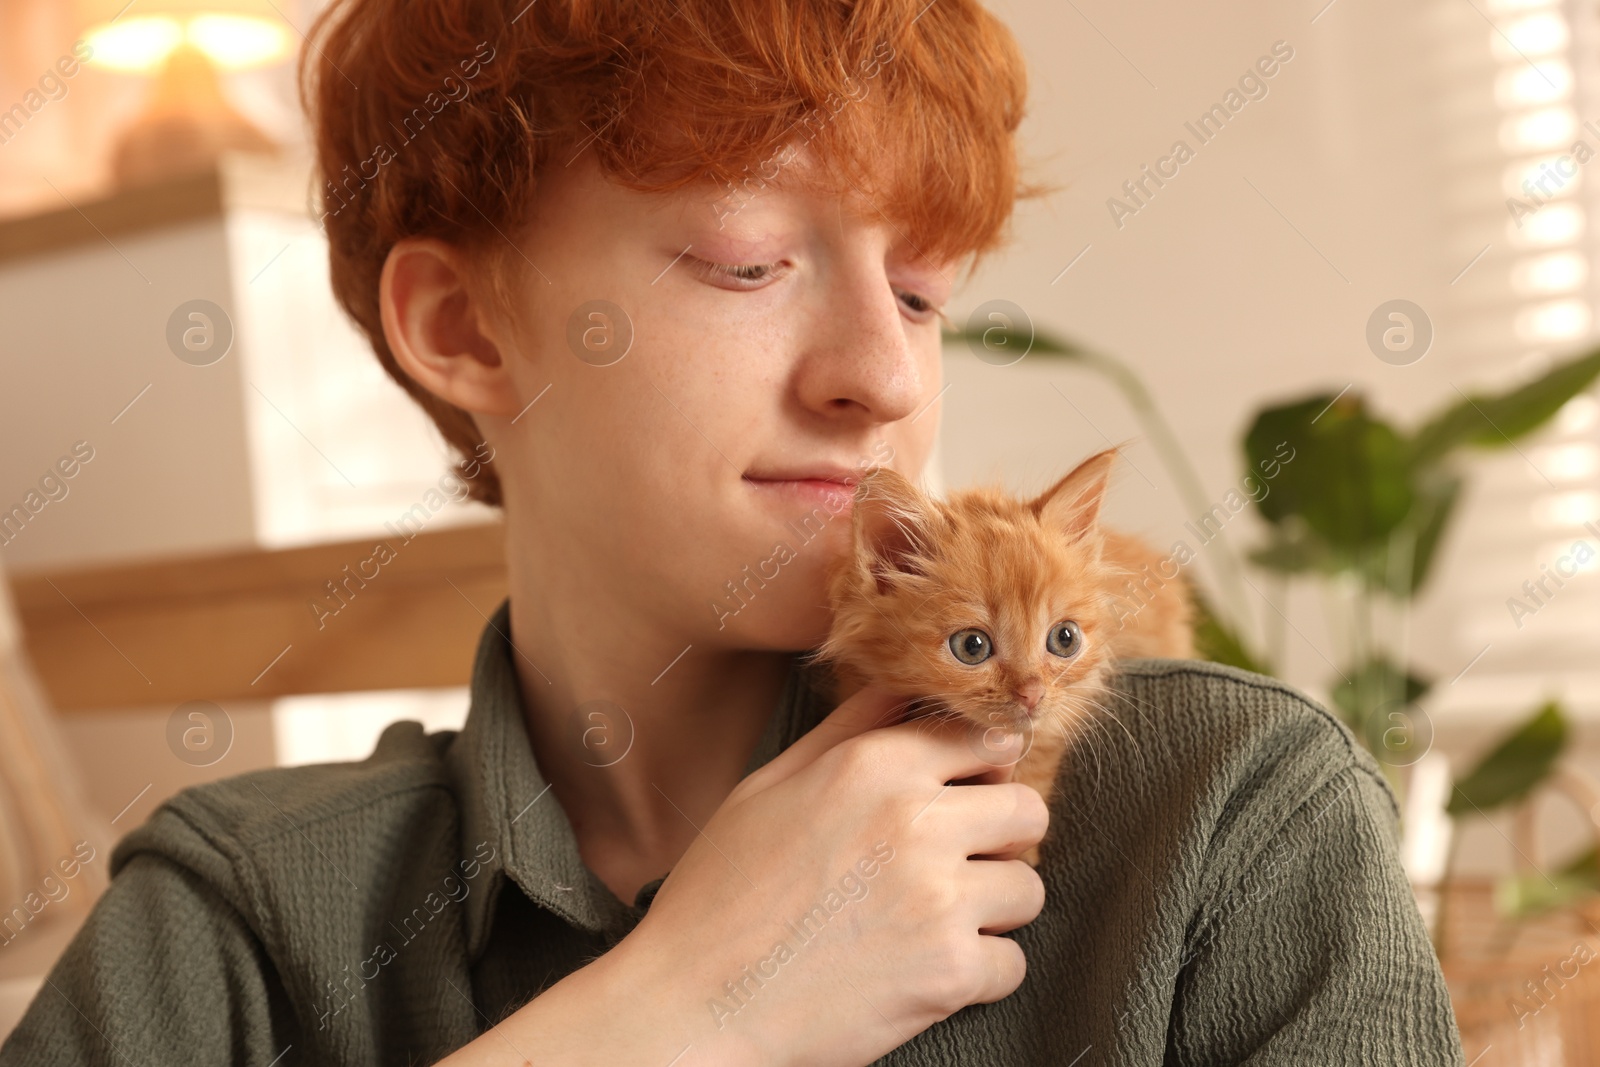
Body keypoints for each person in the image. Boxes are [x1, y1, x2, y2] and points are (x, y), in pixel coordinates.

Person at [1, 0, 1466, 1064]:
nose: (884, 378)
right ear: (461, 329)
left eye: (922, 293)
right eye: (749, 259)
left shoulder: (1225, 818)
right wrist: (677, 1012)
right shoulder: (237, 925)